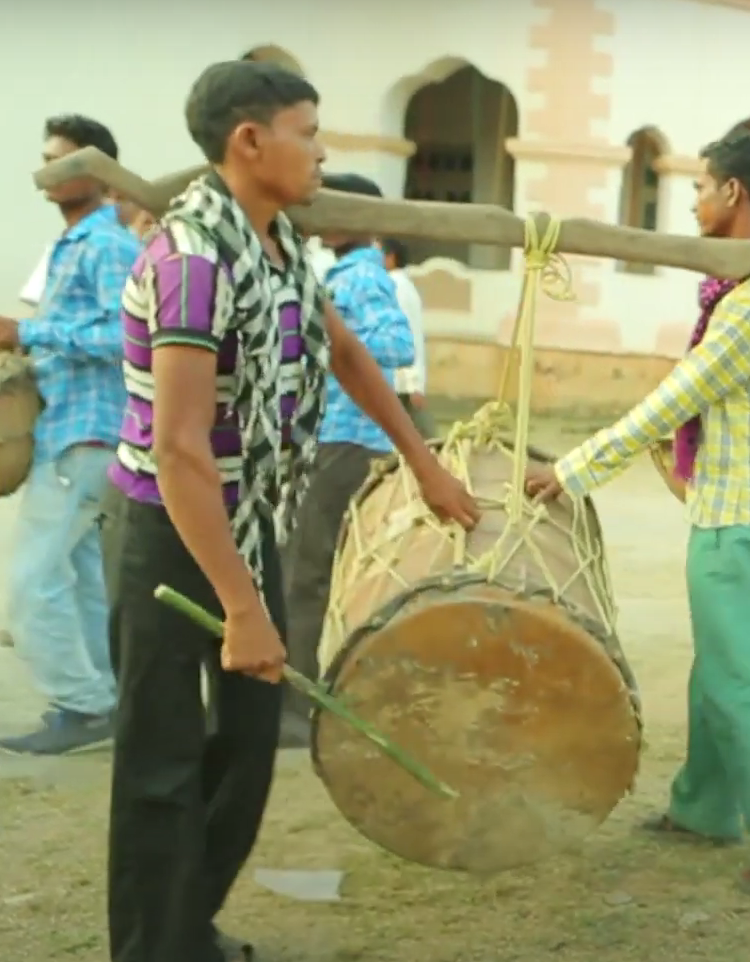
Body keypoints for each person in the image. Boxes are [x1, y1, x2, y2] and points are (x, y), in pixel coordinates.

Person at [102, 60, 478, 962]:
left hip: (244, 519)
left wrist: (425, 462)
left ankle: (185, 927)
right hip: (167, 529)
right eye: (308, 131)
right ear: (250, 140)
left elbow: (343, 353)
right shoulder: (194, 260)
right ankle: (155, 948)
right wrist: (241, 606)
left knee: (247, 742)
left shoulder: (277, 249)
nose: (320, 151)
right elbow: (181, 449)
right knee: (159, 765)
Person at [522, 129, 750, 898]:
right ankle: (704, 808)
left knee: (735, 682)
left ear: (733, 192)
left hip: (739, 517)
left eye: (701, 187)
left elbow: (681, 395)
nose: (694, 200)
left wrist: (573, 470)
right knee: (720, 669)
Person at [0, 115, 141, 756]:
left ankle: (81, 703)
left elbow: (131, 339)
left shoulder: (109, 246)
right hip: (70, 427)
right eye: (46, 160)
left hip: (88, 429)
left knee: (30, 580)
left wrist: (28, 335)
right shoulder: (75, 244)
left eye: (62, 161)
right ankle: (101, 703)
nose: (49, 173)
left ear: (97, 172)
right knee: (77, 575)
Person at [278, 173, 416, 747]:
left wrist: (328, 339)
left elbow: (395, 345)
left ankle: (295, 705)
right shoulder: (333, 271)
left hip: (347, 438)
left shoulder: (360, 276)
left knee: (303, 573)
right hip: (333, 436)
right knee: (312, 569)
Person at [379, 237, 433, 437]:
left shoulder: (396, 286)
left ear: (390, 258)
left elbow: (409, 333)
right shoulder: (401, 284)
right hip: (401, 379)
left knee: (419, 437)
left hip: (402, 380)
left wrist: (414, 383)